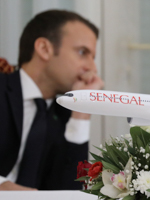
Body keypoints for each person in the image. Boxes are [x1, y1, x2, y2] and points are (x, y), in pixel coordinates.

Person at [0, 10, 104, 190]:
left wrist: (81, 114)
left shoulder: (65, 113)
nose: (92, 67)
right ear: (44, 49)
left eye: (93, 57)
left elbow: (70, 191)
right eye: (82, 52)